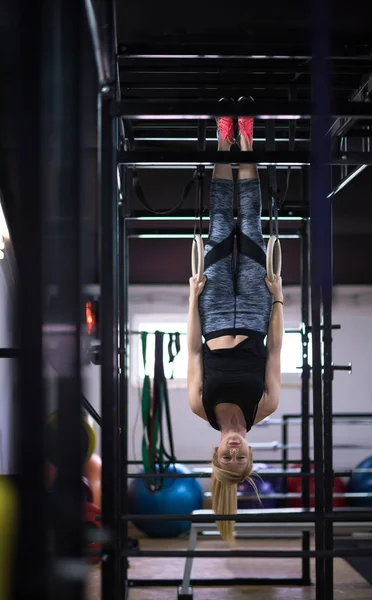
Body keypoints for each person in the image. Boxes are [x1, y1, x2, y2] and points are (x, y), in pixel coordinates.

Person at [187, 98, 284, 545]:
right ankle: (246, 135)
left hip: (212, 309)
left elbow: (191, 350)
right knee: (251, 221)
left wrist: (192, 298)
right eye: (240, 458)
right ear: (249, 452)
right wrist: (278, 300)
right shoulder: (264, 407)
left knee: (220, 224)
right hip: (253, 312)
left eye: (226, 460)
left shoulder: (199, 405)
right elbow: (277, 350)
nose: (233, 451)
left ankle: (224, 135)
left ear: (215, 454)